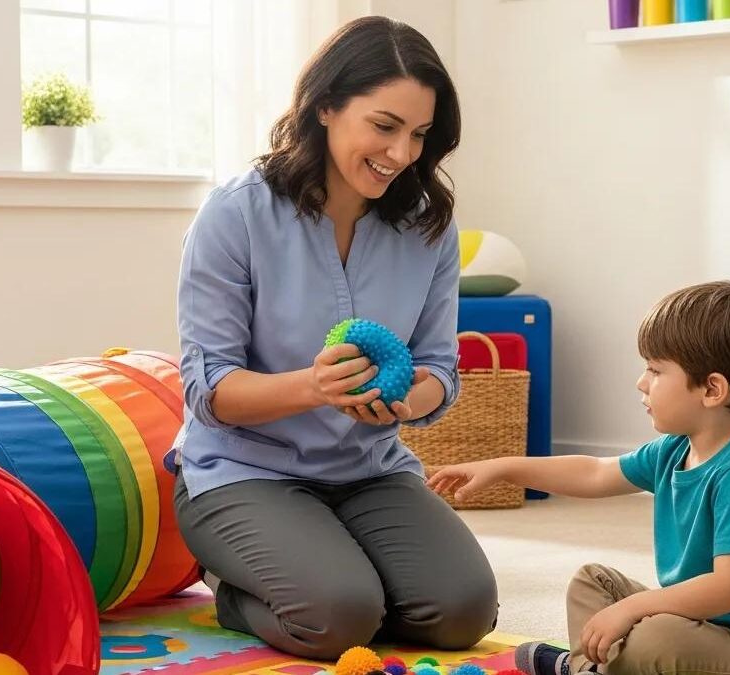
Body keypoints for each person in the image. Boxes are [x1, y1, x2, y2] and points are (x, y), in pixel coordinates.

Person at [171, 16, 497, 660]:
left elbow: (440, 369)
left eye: (420, 135)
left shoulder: (430, 226)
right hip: (242, 471)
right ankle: (231, 587)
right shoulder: (234, 215)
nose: (402, 154)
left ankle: (336, 568)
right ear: (324, 106)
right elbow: (209, 392)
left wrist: (411, 398)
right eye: (384, 126)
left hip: (369, 470)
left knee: (463, 613)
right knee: (341, 617)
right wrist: (315, 388)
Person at [430, 281, 730, 675]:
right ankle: (591, 668)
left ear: (712, 389)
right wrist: (504, 467)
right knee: (592, 582)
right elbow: (594, 473)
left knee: (655, 636)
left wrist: (632, 609)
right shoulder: (676, 448)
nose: (641, 382)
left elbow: (729, 588)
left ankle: (589, 667)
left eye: (655, 370)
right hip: (696, 627)